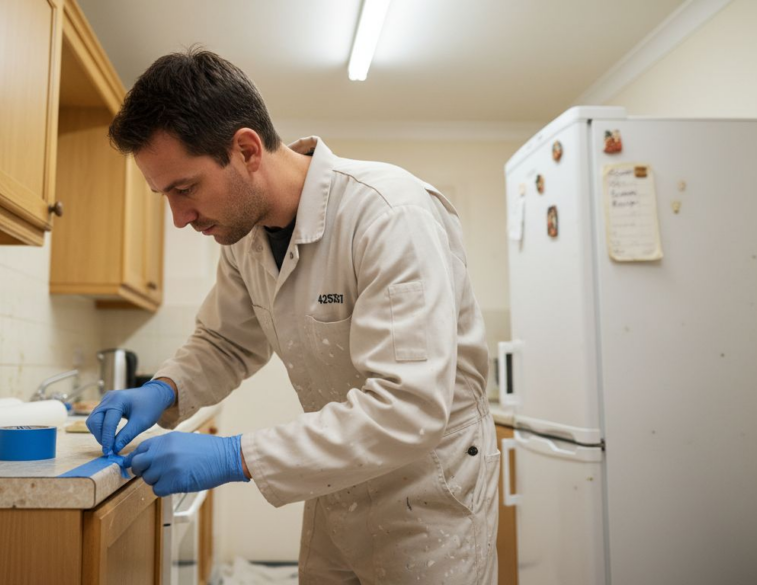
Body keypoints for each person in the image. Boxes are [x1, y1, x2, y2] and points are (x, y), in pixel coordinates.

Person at [86, 48, 499, 584]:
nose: (180, 217)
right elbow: (226, 342)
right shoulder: (243, 236)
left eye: (185, 189)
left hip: (428, 492)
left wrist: (234, 455)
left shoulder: (389, 214)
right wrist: (164, 389)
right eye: (165, 195)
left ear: (246, 150)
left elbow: (408, 406)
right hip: (336, 484)